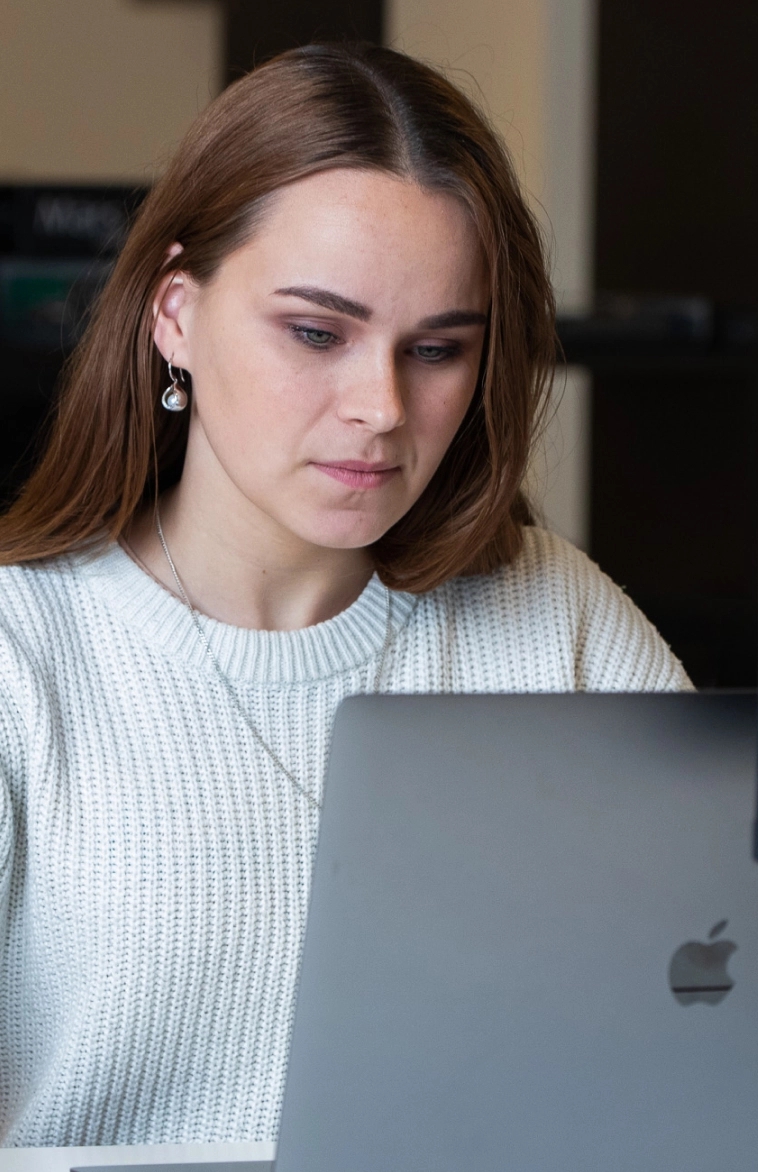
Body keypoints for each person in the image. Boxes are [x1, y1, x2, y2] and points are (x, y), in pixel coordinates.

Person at [0, 43, 690, 1148]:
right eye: (317, 332)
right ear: (175, 314)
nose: (380, 405)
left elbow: (731, 994)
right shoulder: (22, 657)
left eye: (438, 348)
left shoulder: (551, 614)